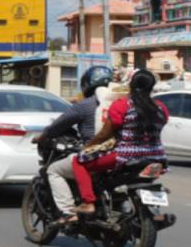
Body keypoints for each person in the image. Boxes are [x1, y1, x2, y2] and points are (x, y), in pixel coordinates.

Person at [69, 69, 169, 221]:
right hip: (157, 157)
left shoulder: (123, 105)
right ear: (151, 87)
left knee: (79, 161)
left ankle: (88, 202)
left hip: (126, 155)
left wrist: (89, 146)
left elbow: (105, 133)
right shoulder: (161, 107)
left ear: (131, 85)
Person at [35, 66, 113, 224]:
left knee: (54, 170)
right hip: (122, 154)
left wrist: (43, 136)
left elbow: (59, 124)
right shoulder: (121, 103)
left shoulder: (85, 105)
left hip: (97, 154)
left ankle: (67, 212)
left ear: (87, 84)